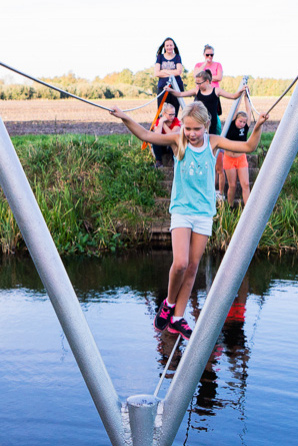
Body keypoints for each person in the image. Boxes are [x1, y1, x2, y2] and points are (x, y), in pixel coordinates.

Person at [110, 102, 266, 337]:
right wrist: (124, 116)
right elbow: (145, 135)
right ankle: (169, 304)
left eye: (196, 129)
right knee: (181, 263)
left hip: (203, 213)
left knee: (193, 268)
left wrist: (259, 125)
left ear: (206, 125)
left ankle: (178, 318)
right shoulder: (178, 141)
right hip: (182, 210)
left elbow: (249, 146)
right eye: (188, 128)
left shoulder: (213, 142)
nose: (192, 134)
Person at [161, 70, 245, 137]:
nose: (198, 85)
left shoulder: (216, 91)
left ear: (207, 81)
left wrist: (241, 91)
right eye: (196, 83)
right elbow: (180, 94)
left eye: (199, 83)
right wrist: (170, 90)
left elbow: (233, 96)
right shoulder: (197, 91)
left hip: (212, 122)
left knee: (211, 141)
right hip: (200, 121)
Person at [217, 108, 254, 207]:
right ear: (235, 119)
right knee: (232, 185)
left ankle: (248, 209)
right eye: (240, 121)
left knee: (245, 184)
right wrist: (239, 98)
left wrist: (246, 99)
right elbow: (234, 110)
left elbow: (249, 111)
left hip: (241, 158)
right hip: (229, 159)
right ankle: (231, 207)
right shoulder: (231, 124)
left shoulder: (245, 127)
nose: (242, 124)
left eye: (244, 122)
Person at [153, 38, 186, 110]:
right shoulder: (160, 57)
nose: (169, 47)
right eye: (167, 45)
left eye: (171, 45)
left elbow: (178, 72)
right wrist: (172, 72)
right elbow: (157, 73)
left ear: (174, 46)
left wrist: (164, 71)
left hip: (176, 87)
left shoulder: (177, 57)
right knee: (162, 110)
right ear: (164, 47)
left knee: (174, 109)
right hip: (163, 87)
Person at [149, 102, 180, 168]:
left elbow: (172, 135)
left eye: (174, 114)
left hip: (172, 145)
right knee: (155, 141)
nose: (172, 117)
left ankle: (174, 161)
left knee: (173, 142)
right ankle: (159, 161)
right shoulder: (159, 121)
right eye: (170, 115)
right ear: (164, 114)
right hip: (163, 144)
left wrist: (164, 124)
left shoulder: (176, 121)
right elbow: (156, 136)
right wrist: (161, 122)